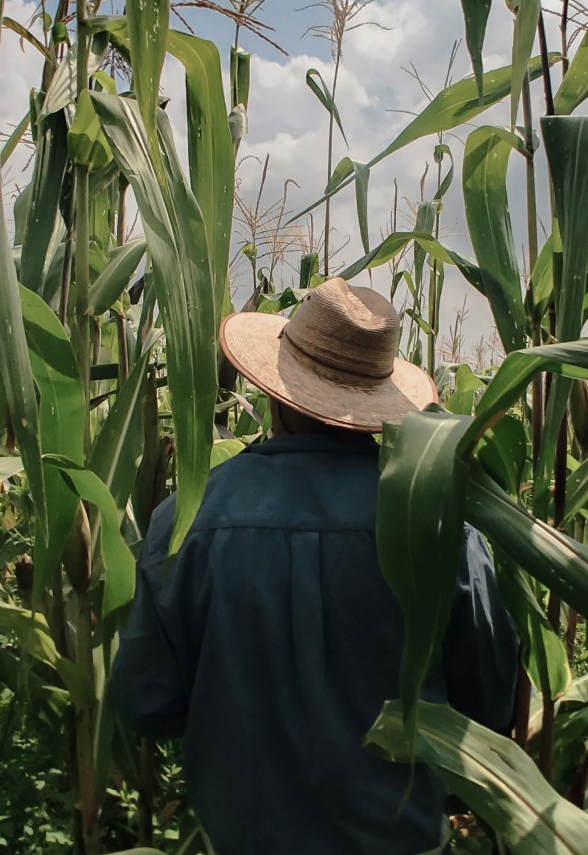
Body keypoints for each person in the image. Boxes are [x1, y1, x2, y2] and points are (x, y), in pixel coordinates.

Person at [111, 278, 518, 854]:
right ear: (380, 401)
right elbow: (489, 707)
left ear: (276, 392)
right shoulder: (438, 526)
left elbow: (146, 703)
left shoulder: (187, 521)